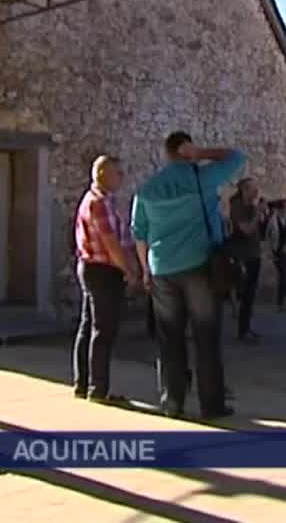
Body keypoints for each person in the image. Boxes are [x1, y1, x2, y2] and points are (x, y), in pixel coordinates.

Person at [132, 132, 243, 419]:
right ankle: (211, 404)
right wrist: (201, 152)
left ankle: (173, 401)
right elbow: (236, 157)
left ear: (166, 153)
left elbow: (139, 234)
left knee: (170, 337)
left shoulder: (147, 190)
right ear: (185, 150)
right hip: (198, 264)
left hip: (161, 268)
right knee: (206, 335)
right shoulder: (201, 179)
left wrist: (145, 271)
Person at [72, 155, 138, 404]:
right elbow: (111, 243)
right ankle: (98, 388)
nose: (121, 177)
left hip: (91, 267)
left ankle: (83, 383)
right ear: (102, 175)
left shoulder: (98, 200)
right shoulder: (100, 203)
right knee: (103, 330)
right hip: (102, 269)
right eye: (117, 173)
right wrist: (129, 270)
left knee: (88, 326)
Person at [228, 178, 266, 342]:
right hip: (244, 256)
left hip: (253, 254)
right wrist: (257, 213)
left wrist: (262, 215)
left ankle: (246, 328)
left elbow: (259, 230)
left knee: (250, 295)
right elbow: (247, 230)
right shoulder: (238, 208)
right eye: (253, 189)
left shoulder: (250, 207)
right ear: (244, 190)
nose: (256, 192)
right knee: (246, 294)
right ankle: (243, 331)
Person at [265, 199, 286, 312]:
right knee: (285, 277)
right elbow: (268, 239)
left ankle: (280, 304)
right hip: (278, 253)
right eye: (284, 208)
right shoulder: (273, 221)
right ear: (279, 209)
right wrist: (270, 253)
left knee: (283, 279)